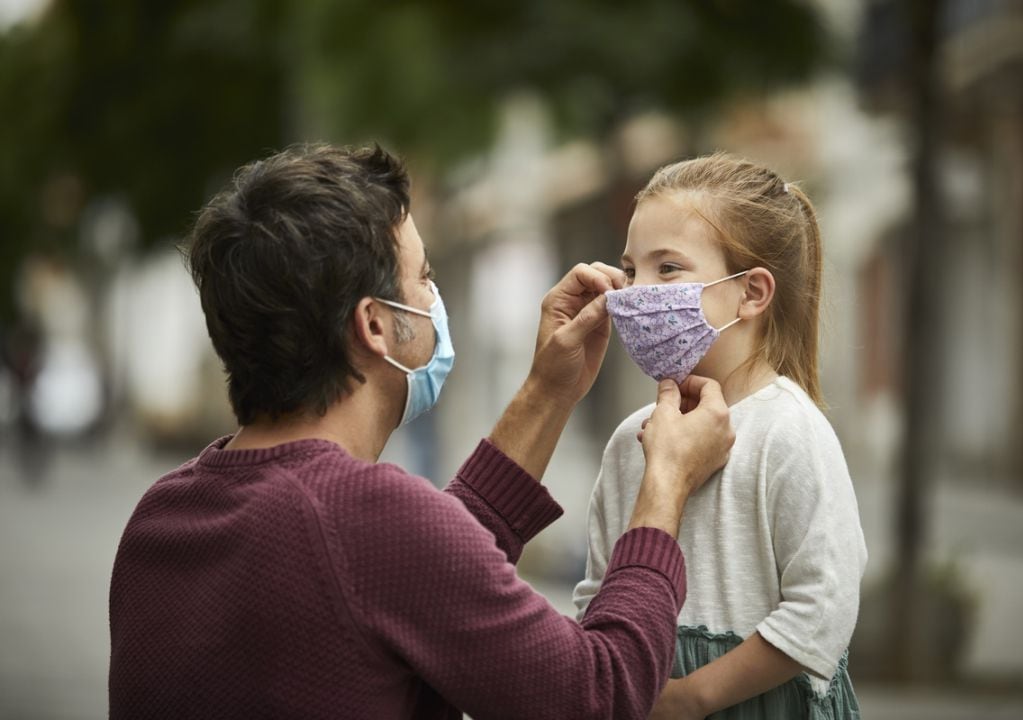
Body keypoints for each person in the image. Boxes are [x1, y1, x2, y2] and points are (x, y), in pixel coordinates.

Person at [108, 144, 737, 720]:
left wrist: (548, 391)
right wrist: (665, 488)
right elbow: (599, 693)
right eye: (425, 277)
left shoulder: (162, 516)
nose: (435, 297)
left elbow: (417, 576)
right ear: (376, 325)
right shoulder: (366, 521)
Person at [573, 152, 868, 719]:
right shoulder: (629, 440)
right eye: (630, 269)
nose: (636, 292)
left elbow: (823, 608)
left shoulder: (790, 431)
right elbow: (595, 597)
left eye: (668, 269)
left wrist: (694, 697)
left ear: (752, 293)